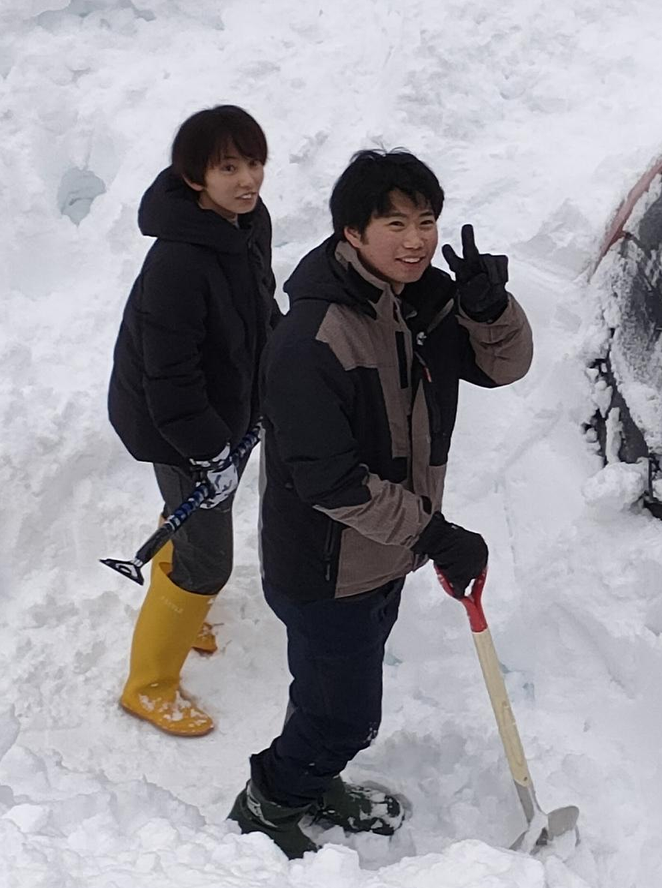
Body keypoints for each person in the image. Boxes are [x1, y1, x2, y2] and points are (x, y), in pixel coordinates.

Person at [227, 149, 533, 856]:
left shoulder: (424, 304)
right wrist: (435, 534)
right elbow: (330, 480)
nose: (416, 240)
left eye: (425, 221)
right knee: (344, 716)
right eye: (394, 223)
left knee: (328, 696)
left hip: (384, 553)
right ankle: (269, 806)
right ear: (352, 232)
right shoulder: (313, 339)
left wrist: (490, 310)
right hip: (325, 565)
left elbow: (503, 366)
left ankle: (312, 778)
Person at [107, 105, 280, 736]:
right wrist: (209, 454)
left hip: (221, 410)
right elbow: (170, 380)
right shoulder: (176, 264)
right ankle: (148, 686)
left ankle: (182, 597)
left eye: (253, 163)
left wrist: (282, 362)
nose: (247, 180)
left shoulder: (248, 223)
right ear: (193, 177)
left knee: (197, 530)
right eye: (228, 168)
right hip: (176, 425)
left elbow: (258, 307)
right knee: (209, 561)